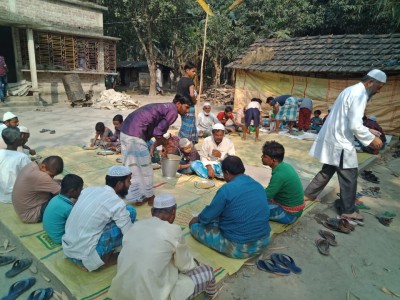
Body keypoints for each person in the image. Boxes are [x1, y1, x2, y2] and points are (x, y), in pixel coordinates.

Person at [304, 69, 385, 222]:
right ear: (370, 83)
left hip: (334, 137)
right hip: (340, 142)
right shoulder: (360, 94)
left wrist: (368, 129)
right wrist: (370, 139)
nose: (378, 92)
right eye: (378, 88)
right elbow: (354, 124)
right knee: (349, 176)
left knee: (327, 170)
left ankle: (308, 194)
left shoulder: (350, 90)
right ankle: (348, 211)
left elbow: (347, 119)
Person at [109, 193, 217, 300]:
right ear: (174, 212)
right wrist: (194, 263)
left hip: (121, 293)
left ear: (152, 212)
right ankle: (212, 296)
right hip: (153, 296)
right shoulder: (174, 231)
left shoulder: (135, 226)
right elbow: (185, 266)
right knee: (207, 271)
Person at [189, 156, 270, 259]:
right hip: (264, 241)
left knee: (195, 227)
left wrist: (197, 220)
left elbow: (207, 217)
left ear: (226, 173)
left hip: (240, 248)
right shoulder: (257, 185)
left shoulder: (227, 189)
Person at [62, 166, 137, 272]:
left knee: (121, 214)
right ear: (120, 184)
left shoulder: (88, 190)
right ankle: (103, 259)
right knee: (131, 212)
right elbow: (129, 233)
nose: (130, 184)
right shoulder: (116, 202)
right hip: (85, 257)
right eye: (129, 181)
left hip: (68, 249)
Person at [120, 94, 190, 205]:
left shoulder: (165, 107)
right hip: (135, 133)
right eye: (186, 107)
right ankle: (148, 196)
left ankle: (139, 196)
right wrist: (166, 144)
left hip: (125, 130)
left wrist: (164, 144)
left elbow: (157, 132)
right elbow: (158, 133)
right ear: (178, 104)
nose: (187, 111)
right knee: (145, 167)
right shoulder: (173, 111)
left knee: (133, 166)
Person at [261, 141, 305, 224]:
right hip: (293, 210)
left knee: (252, 206)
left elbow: (265, 196)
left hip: (290, 215)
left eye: (264, 156)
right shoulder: (284, 166)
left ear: (273, 160)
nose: (261, 157)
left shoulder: (279, 175)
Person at [12, 156, 63, 223]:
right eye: (51, 175)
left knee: (60, 183)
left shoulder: (32, 165)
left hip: (22, 210)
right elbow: (64, 192)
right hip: (31, 214)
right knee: (65, 201)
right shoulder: (41, 176)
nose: (52, 178)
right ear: (42, 167)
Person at [42, 174, 84, 244]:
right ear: (72, 191)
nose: (81, 191)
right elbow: (77, 224)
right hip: (59, 238)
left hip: (49, 232)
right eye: (80, 189)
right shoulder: (68, 208)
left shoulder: (55, 198)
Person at [0, 127, 31, 203]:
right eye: (20, 136)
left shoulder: (1, 153)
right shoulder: (22, 157)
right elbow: (32, 175)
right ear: (17, 140)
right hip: (15, 196)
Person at [177, 62, 198, 144]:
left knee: (184, 124)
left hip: (181, 107)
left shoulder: (180, 80)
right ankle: (184, 143)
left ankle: (187, 143)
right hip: (189, 107)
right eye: (193, 71)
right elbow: (192, 94)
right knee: (189, 127)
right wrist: (195, 101)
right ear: (187, 70)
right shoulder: (190, 82)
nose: (194, 73)